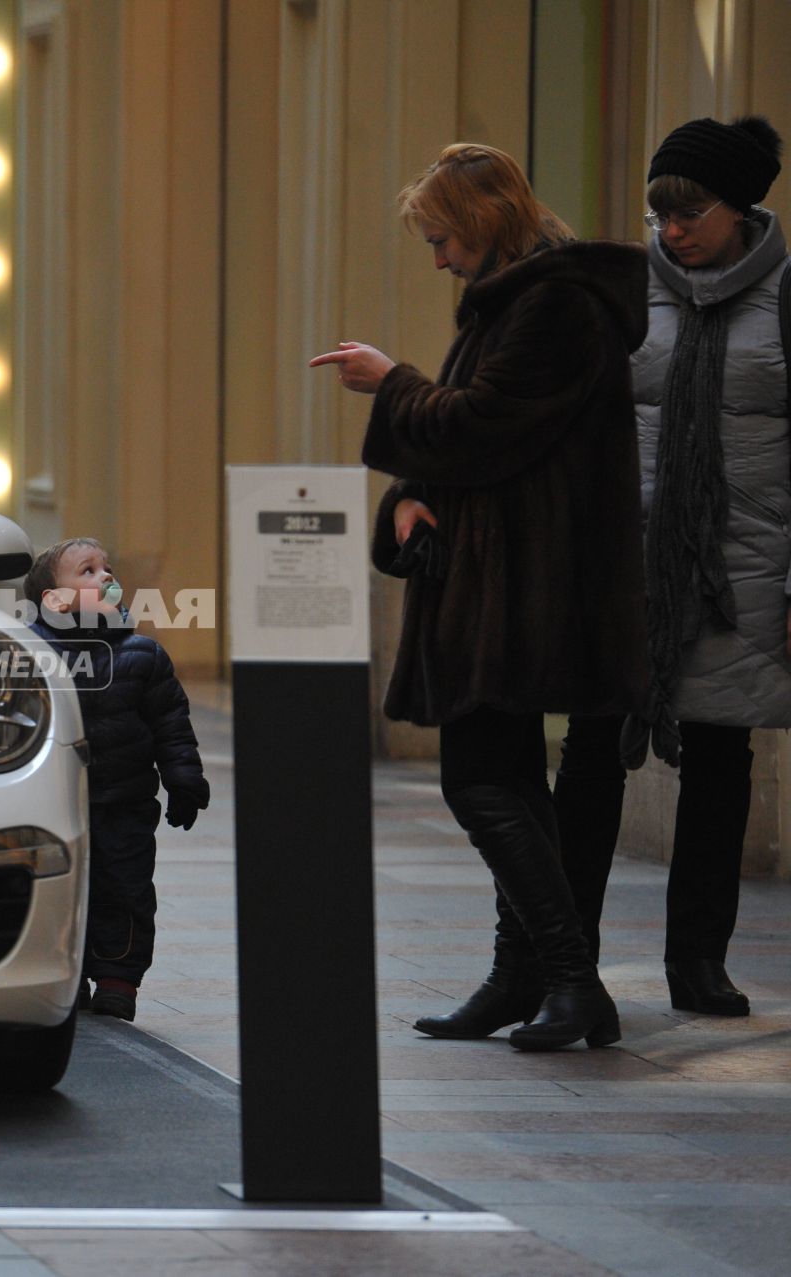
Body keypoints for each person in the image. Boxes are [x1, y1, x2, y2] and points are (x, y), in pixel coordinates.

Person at [310, 143, 649, 1051]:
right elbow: (474, 444)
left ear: (485, 222)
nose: (438, 259)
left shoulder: (557, 306)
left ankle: (571, 981)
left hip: (532, 585)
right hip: (506, 578)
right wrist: (412, 490)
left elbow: (480, 425)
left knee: (482, 781)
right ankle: (523, 977)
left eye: (442, 238)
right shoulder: (522, 305)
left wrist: (394, 383)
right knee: (505, 782)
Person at [554, 116, 787, 1018]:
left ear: (743, 209)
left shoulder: (786, 299)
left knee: (723, 757)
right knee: (589, 750)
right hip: (623, 558)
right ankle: (568, 958)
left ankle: (699, 960)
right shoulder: (622, 290)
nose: (671, 228)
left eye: (690, 211)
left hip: (741, 565)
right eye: (660, 211)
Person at [24, 538, 209, 1021]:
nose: (106, 576)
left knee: (124, 890)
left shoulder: (142, 655)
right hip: (50, 807)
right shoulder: (30, 654)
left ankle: (117, 979)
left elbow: (171, 723)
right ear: (57, 600)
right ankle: (66, 974)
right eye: (88, 571)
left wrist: (183, 778)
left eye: (107, 568)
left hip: (123, 805)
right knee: (58, 893)